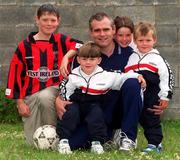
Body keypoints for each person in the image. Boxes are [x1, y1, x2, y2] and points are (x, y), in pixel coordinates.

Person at [56, 12, 146, 151]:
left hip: (119, 108)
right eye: (97, 30)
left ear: (113, 30)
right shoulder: (85, 56)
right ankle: (111, 134)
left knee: (133, 83)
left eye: (106, 29)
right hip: (94, 111)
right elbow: (72, 83)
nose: (102, 34)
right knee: (74, 144)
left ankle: (128, 136)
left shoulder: (130, 54)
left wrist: (138, 77)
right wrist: (59, 99)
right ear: (91, 33)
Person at [5, 3, 81, 146]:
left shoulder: (61, 40)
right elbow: (15, 74)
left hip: (54, 89)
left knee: (45, 96)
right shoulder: (24, 46)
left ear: (58, 21)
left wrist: (66, 57)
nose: (49, 23)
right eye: (45, 19)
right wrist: (20, 102)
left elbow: (80, 45)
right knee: (31, 143)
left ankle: (55, 138)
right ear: (37, 20)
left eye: (53, 20)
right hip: (31, 95)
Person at [124, 22, 174, 153]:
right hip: (138, 97)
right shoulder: (132, 57)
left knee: (151, 120)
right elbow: (126, 73)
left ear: (154, 40)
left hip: (152, 96)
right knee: (141, 120)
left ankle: (154, 144)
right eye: (141, 40)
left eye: (148, 40)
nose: (144, 43)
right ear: (135, 40)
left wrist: (165, 96)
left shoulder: (157, 58)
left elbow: (166, 77)